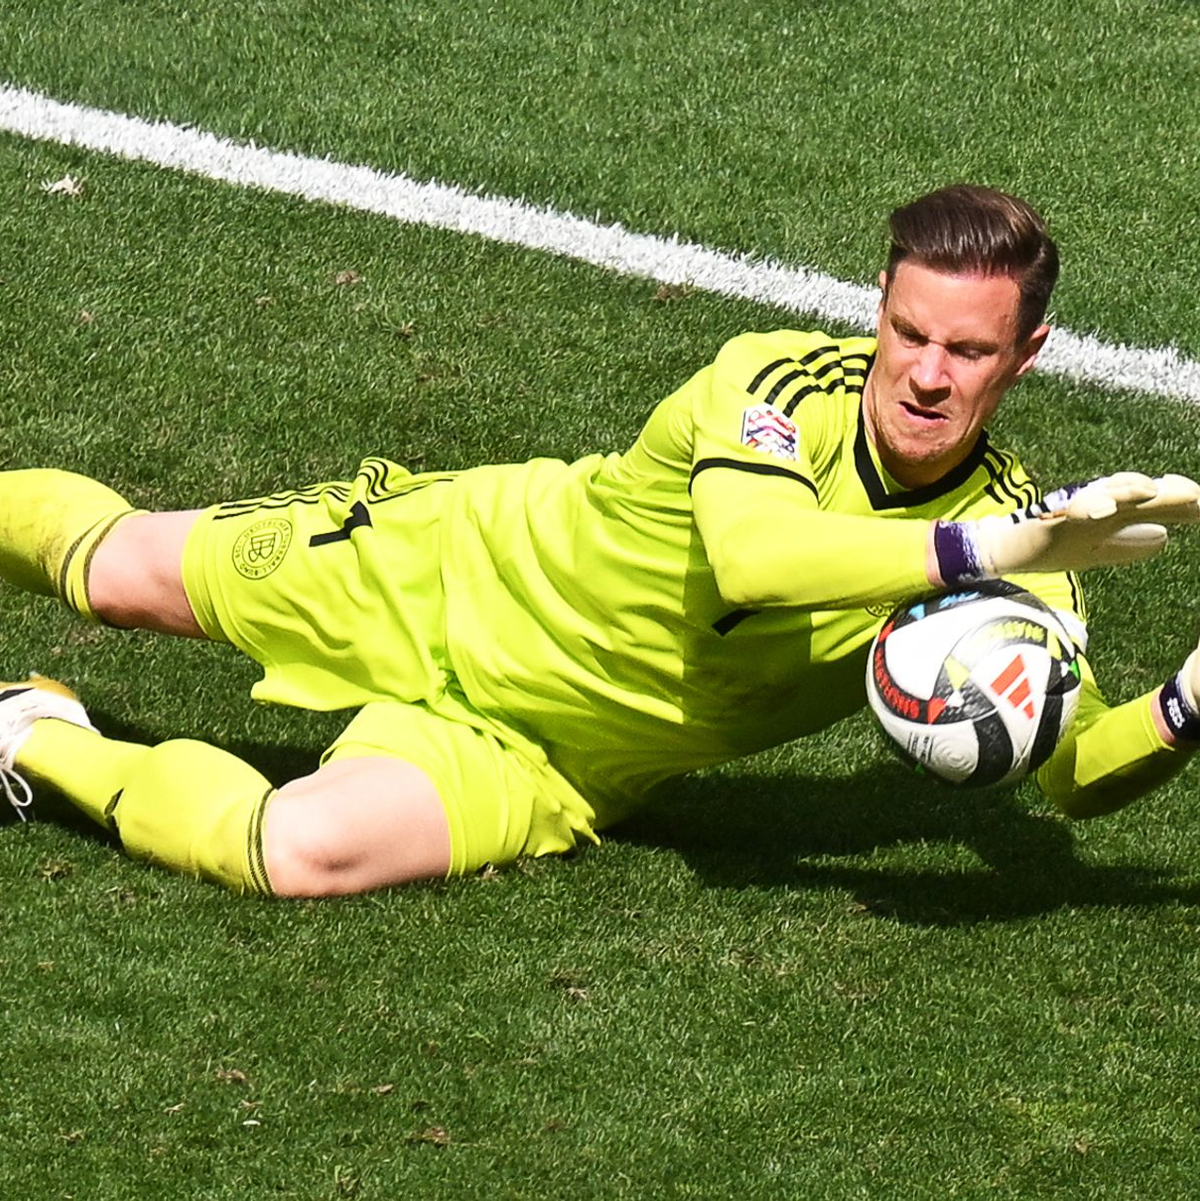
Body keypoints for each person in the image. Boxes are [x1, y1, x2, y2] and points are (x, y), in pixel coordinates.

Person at [1, 184, 1198, 898]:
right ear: (876, 311)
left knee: (293, 853)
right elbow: (757, 559)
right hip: (442, 573)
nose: (927, 375)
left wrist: (1190, 698)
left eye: (969, 351)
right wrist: (990, 548)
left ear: (1025, 358)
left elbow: (1074, 770)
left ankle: (35, 730)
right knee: (115, 574)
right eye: (908, 332)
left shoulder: (1035, 535)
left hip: (554, 759)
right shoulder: (774, 383)